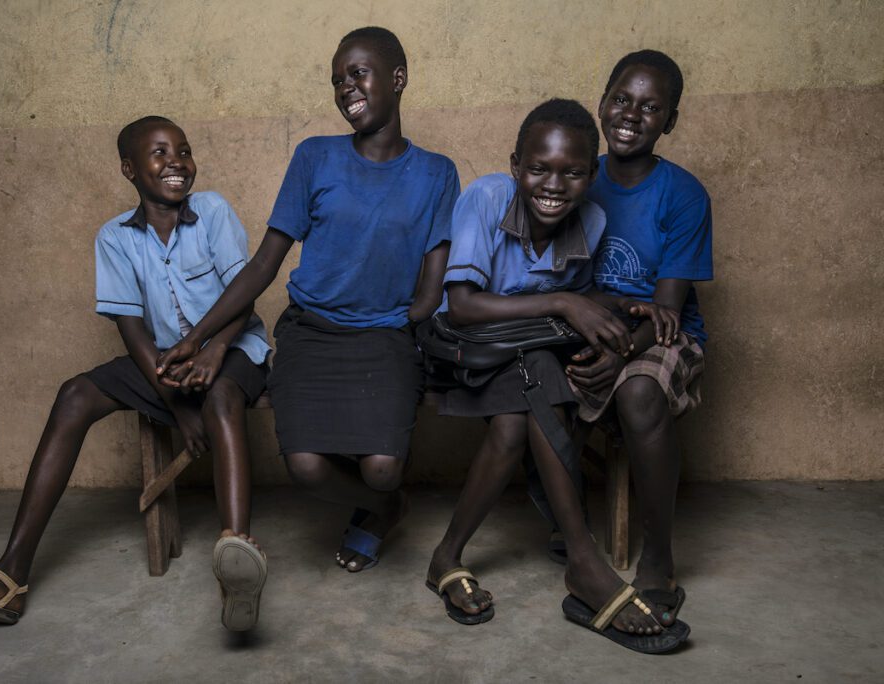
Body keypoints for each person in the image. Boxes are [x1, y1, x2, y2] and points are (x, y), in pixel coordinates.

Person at [0, 116, 272, 632]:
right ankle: (11, 574)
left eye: (184, 150)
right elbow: (134, 335)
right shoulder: (114, 238)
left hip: (234, 349)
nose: (176, 161)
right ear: (129, 169)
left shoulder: (213, 211)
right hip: (168, 361)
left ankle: (238, 560)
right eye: (159, 153)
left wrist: (215, 352)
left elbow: (245, 293)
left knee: (220, 401)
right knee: (75, 393)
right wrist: (175, 407)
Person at [156, 27, 459, 573]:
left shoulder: (437, 173)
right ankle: (385, 511)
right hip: (312, 333)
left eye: (358, 73)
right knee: (307, 468)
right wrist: (195, 337)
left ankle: (385, 498)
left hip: (385, 338)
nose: (346, 87)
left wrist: (394, 327)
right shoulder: (314, 157)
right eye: (338, 79)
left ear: (398, 78)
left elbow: (433, 286)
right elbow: (264, 265)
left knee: (384, 467)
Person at [425, 98, 688, 653]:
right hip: (465, 350)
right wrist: (566, 303)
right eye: (538, 168)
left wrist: (624, 306)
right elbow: (464, 306)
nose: (553, 184)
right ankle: (585, 562)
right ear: (516, 163)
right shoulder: (485, 197)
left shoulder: (591, 219)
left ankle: (446, 556)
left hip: (525, 354)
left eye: (571, 172)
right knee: (539, 378)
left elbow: (577, 300)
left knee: (515, 424)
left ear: (591, 176)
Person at [564, 49, 713, 630]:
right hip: (590, 322)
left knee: (639, 392)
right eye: (621, 99)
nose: (631, 114)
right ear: (601, 103)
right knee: (529, 376)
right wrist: (598, 341)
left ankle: (658, 560)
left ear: (670, 121)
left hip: (661, 332)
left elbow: (669, 311)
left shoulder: (683, 194)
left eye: (652, 107)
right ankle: (562, 526)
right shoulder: (576, 174)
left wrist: (622, 353)